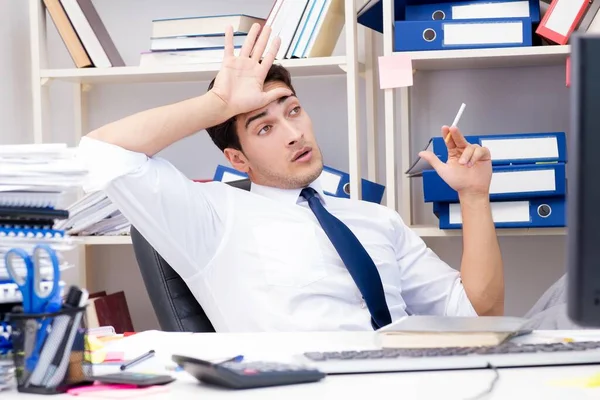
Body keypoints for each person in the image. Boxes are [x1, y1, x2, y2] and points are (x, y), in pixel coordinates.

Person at [76, 24, 504, 332]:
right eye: (264, 127)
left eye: (293, 110)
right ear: (236, 159)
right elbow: (103, 153)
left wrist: (473, 196)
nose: (294, 133)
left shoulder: (375, 218)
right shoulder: (212, 217)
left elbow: (478, 315)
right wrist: (218, 103)